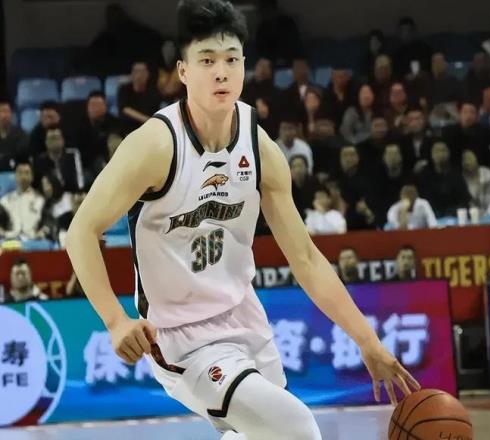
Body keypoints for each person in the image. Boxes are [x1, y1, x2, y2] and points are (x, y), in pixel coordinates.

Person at [66, 2, 419, 439]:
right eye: (207, 61)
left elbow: (306, 258)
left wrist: (367, 340)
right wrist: (115, 320)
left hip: (245, 319)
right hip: (179, 335)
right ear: (182, 72)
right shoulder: (156, 145)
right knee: (297, 429)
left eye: (231, 60)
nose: (221, 72)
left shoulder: (260, 147)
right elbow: (81, 231)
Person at [0, 161, 45, 240]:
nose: (23, 177)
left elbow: (48, 222)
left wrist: (44, 231)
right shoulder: (5, 200)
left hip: (33, 239)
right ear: (15, 176)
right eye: (20, 173)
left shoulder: (40, 200)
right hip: (10, 239)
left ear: (32, 177)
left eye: (27, 173)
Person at [0, 99, 29, 171]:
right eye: (1, 111)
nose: (4, 115)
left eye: (6, 111)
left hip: (15, 171)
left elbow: (22, 157)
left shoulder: (21, 134)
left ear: (11, 114)